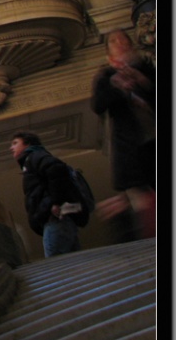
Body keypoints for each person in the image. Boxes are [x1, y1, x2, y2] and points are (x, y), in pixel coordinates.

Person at [92, 30, 156, 239]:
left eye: (123, 39)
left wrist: (142, 81)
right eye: (113, 41)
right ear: (108, 50)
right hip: (132, 147)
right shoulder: (105, 76)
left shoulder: (146, 68)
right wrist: (118, 88)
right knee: (143, 198)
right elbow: (98, 105)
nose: (119, 43)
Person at [9, 131, 82, 258]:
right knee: (72, 262)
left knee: (57, 264)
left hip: (55, 219)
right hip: (60, 220)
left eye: (15, 143)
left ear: (28, 144)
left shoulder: (35, 157)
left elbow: (57, 170)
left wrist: (56, 202)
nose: (11, 147)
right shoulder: (34, 159)